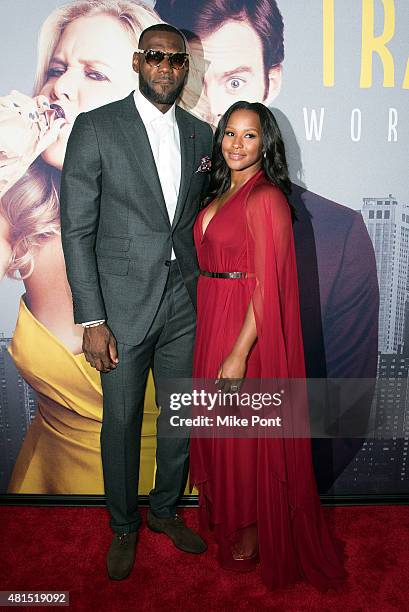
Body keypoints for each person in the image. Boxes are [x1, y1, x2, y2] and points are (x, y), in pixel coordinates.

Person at [156, 0, 380, 492]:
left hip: (252, 369)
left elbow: (345, 409)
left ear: (269, 83)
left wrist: (281, 495)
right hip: (206, 340)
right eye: (195, 81)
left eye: (234, 82)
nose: (214, 110)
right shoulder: (187, 205)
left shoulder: (334, 233)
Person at [0, 0, 179, 495]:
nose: (60, 87)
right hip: (45, 494)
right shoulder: (18, 218)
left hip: (169, 489)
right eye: (57, 69)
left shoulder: (186, 219)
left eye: (94, 74)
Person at [60, 23, 213, 580]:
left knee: (179, 415)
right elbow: (76, 229)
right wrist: (92, 318)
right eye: (156, 57)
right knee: (121, 421)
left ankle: (166, 510)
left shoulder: (200, 135)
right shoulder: (96, 128)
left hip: (183, 301)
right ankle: (123, 525)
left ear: (185, 68)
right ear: (137, 61)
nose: (167, 67)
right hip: (120, 308)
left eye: (176, 60)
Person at [192, 100, 347, 591]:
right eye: (230, 134)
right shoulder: (220, 190)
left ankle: (253, 532)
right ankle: (233, 520)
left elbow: (269, 285)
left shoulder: (267, 199)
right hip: (212, 316)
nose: (237, 144)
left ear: (267, 143)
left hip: (246, 331)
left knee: (245, 440)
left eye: (250, 135)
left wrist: (239, 352)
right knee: (222, 433)